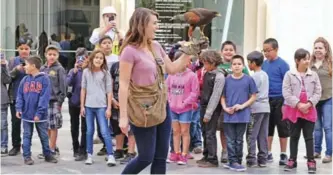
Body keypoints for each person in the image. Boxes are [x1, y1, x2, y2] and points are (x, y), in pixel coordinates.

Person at [118, 7, 206, 174]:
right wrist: (123, 117)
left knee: (160, 157)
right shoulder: (129, 51)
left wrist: (191, 51)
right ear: (142, 24)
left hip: (162, 105)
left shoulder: (156, 46)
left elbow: (172, 68)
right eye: (155, 23)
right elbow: (123, 84)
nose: (157, 27)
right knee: (146, 157)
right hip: (142, 109)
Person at [282, 48, 322, 173]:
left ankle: (311, 161)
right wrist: (298, 104)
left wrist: (309, 104)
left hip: (309, 109)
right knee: (294, 136)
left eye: (308, 58)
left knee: (309, 137)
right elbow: (286, 92)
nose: (307, 61)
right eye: (304, 59)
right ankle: (292, 160)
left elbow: (318, 91)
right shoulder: (289, 74)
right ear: (297, 60)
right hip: (294, 109)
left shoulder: (314, 75)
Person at [15, 55, 58, 165]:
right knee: (26, 135)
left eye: (27, 65)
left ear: (33, 66)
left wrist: (39, 113)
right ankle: (27, 156)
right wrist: (19, 108)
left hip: (40, 115)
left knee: (43, 135)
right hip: (26, 114)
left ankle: (47, 154)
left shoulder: (45, 79)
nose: (25, 67)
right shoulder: (25, 79)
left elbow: (44, 98)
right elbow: (19, 95)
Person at [221, 55, 257, 172]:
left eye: (239, 64)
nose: (237, 66)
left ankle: (238, 161)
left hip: (242, 115)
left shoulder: (248, 79)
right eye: (234, 64)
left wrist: (242, 106)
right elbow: (222, 97)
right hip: (229, 115)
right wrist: (225, 108)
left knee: (239, 139)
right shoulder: (226, 80)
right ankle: (232, 161)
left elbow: (253, 96)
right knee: (230, 139)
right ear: (231, 66)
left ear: (243, 66)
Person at [80, 49, 116, 166]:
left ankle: (111, 155)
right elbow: (83, 90)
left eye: (101, 58)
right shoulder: (86, 72)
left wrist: (109, 108)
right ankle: (89, 155)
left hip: (102, 106)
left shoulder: (106, 73)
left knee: (105, 131)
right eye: (96, 57)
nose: (98, 60)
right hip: (89, 106)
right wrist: (82, 106)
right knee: (89, 131)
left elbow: (109, 92)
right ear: (92, 58)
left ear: (103, 60)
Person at [217, 40, 249, 163]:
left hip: (238, 104)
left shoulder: (242, 67)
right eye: (226, 49)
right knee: (224, 128)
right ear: (221, 52)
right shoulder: (219, 66)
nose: (228, 52)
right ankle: (225, 150)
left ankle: (236, 153)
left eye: (231, 50)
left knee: (238, 130)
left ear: (235, 52)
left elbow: (248, 83)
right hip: (223, 103)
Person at [166, 57, 199, 165]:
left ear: (188, 63)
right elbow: (167, 90)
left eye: (185, 61)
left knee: (185, 132)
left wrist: (185, 103)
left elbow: (194, 93)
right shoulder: (171, 75)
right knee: (175, 131)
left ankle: (184, 154)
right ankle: (176, 153)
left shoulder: (192, 76)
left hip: (185, 109)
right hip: (173, 108)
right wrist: (170, 101)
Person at [262, 38, 290, 165]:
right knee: (268, 127)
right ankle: (268, 152)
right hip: (267, 99)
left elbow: (288, 84)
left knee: (282, 128)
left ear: (276, 49)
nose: (266, 53)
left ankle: (283, 153)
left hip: (280, 99)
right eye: (264, 51)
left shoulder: (283, 65)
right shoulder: (264, 64)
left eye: (269, 50)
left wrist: (285, 103)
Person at [195, 50, 225, 168]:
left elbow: (215, 96)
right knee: (204, 131)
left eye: (206, 63)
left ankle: (213, 159)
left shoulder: (219, 76)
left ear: (213, 63)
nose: (204, 66)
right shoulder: (207, 73)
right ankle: (206, 155)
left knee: (210, 133)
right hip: (203, 106)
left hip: (212, 109)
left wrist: (208, 113)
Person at [39, 45, 67, 158]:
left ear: (58, 56)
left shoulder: (59, 69)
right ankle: (51, 146)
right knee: (46, 126)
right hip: (44, 101)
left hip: (54, 101)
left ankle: (51, 149)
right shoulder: (42, 69)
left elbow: (63, 87)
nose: (51, 57)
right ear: (45, 55)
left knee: (53, 126)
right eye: (49, 54)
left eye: (54, 55)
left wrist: (60, 102)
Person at [8, 36, 32, 156]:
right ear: (18, 49)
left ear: (30, 50)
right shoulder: (12, 61)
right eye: (21, 48)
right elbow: (7, 78)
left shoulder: (34, 61)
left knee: (29, 124)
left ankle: (27, 146)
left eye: (26, 48)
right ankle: (16, 146)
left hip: (30, 98)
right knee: (15, 123)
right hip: (15, 97)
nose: (24, 51)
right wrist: (15, 70)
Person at [245, 51, 270, 167]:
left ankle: (251, 158)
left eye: (249, 62)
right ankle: (263, 159)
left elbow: (251, 93)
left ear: (253, 63)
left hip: (255, 108)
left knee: (251, 134)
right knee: (263, 133)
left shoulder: (253, 77)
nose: (248, 65)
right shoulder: (265, 74)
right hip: (266, 107)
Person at [110, 59, 136, 164]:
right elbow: (110, 83)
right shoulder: (115, 66)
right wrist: (112, 99)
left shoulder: (135, 64)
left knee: (131, 127)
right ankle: (119, 150)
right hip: (116, 100)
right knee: (117, 126)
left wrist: (127, 101)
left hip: (131, 101)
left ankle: (131, 152)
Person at [310, 37, 332, 163]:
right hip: (314, 100)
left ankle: (329, 154)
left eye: (320, 48)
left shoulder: (330, 64)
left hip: (328, 99)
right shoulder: (309, 65)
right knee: (316, 127)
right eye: (316, 48)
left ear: (326, 50)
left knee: (328, 127)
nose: (318, 50)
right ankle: (316, 151)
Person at [67, 47, 88, 161]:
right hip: (74, 103)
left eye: (83, 58)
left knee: (85, 128)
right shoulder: (72, 71)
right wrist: (74, 72)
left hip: (86, 103)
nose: (81, 61)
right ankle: (75, 148)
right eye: (78, 58)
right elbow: (68, 83)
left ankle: (83, 150)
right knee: (74, 127)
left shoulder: (89, 70)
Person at [1, 52, 11, 156]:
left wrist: (3, 66)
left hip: (1, 98)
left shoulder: (4, 64)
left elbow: (7, 80)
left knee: (2, 124)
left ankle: (3, 146)